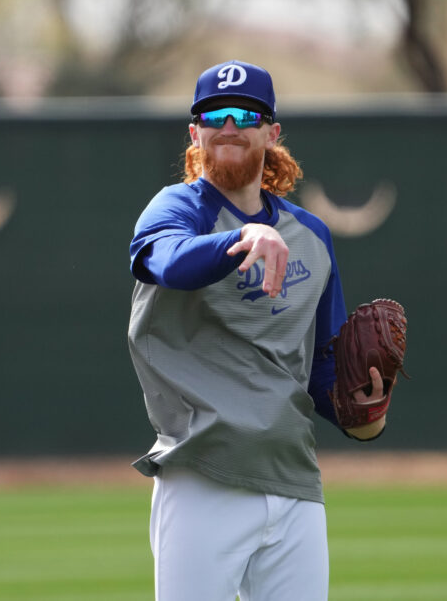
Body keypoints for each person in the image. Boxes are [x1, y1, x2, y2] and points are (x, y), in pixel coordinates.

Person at [127, 60, 386, 601]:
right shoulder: (177, 210)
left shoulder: (310, 235)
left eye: (245, 114)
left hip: (295, 484)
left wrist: (363, 407)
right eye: (213, 114)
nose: (229, 125)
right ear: (194, 132)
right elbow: (166, 262)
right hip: (203, 478)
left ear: (271, 132)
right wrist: (242, 237)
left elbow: (321, 367)